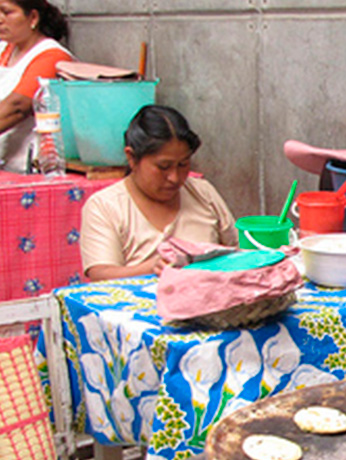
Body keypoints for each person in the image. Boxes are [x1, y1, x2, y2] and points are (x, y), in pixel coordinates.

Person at [80, 105, 238, 281]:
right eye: (163, 167)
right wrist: (149, 268)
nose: (174, 177)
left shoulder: (202, 193)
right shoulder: (105, 206)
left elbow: (237, 249)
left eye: (183, 164)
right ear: (132, 158)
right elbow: (100, 274)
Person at [0, 0, 72, 173]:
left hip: (28, 169)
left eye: (7, 12)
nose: (0, 19)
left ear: (33, 17)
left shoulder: (52, 56)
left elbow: (16, 108)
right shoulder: (5, 48)